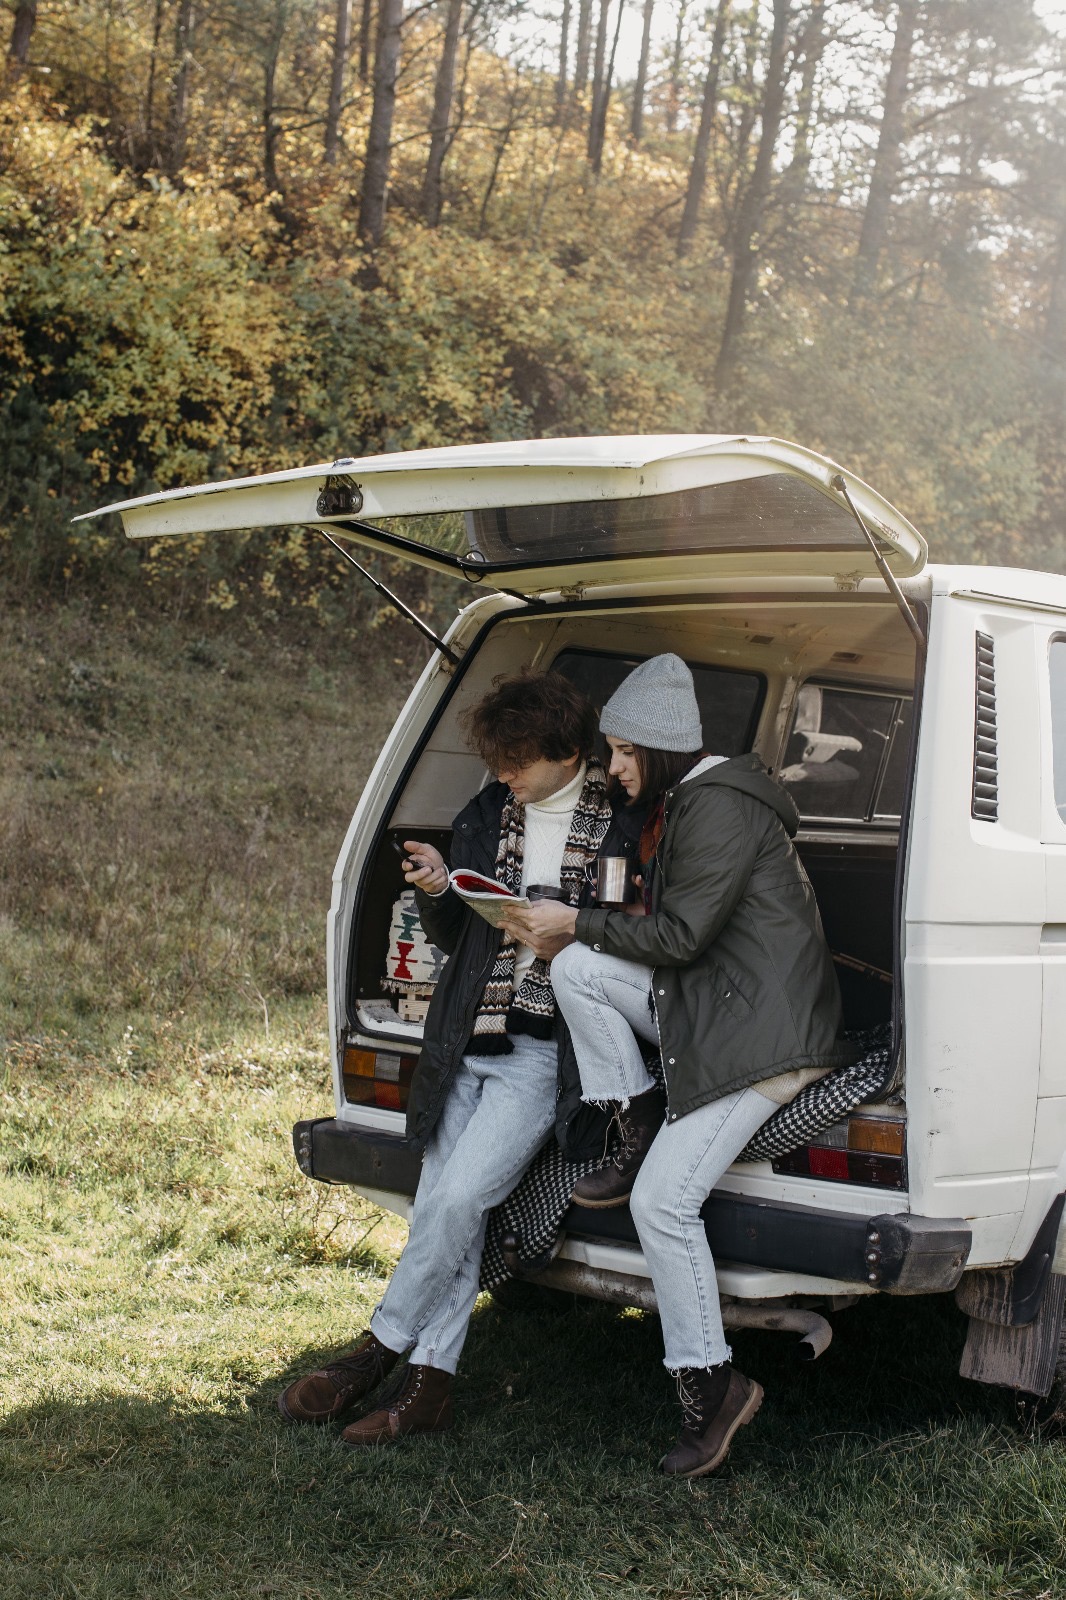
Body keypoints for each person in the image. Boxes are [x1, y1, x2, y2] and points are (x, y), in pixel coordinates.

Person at [506, 653, 851, 1479]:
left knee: (662, 1203)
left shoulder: (717, 806)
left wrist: (575, 921)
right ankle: (637, 1115)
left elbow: (683, 939)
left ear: (659, 747)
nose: (614, 769)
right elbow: (683, 937)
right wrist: (586, 933)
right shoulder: (695, 801)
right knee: (579, 969)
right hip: (717, 1004)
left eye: (624, 753)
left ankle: (711, 1390)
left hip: (765, 1035)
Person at [278, 670, 621, 1446]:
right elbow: (450, 938)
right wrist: (439, 888)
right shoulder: (491, 809)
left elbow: (639, 934)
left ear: (567, 751)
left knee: (459, 1201)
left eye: (517, 762)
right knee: (444, 1209)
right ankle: (428, 1392)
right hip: (469, 1035)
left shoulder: (622, 823)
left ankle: (377, 1349)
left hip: (545, 1051)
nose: (503, 776)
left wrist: (574, 929)